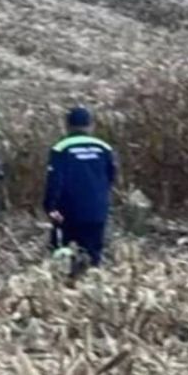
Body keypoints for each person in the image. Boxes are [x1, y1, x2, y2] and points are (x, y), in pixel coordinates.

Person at [44, 106, 117, 272]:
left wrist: (50, 207)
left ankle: (65, 290)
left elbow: (55, 180)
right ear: (91, 125)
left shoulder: (61, 148)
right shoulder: (104, 148)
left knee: (62, 255)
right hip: (97, 211)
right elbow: (111, 177)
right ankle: (91, 289)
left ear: (67, 126)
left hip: (68, 212)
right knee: (93, 257)